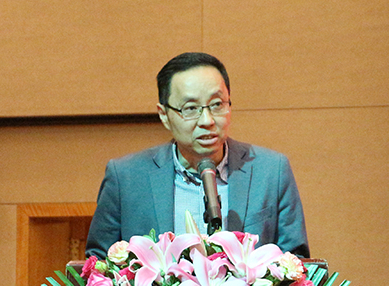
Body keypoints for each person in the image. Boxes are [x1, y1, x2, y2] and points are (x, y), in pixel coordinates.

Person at [85, 52, 309, 258]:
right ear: (164, 115)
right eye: (190, 108)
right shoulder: (126, 178)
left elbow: (297, 263)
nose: (207, 121)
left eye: (217, 104)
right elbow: (97, 264)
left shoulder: (271, 171)